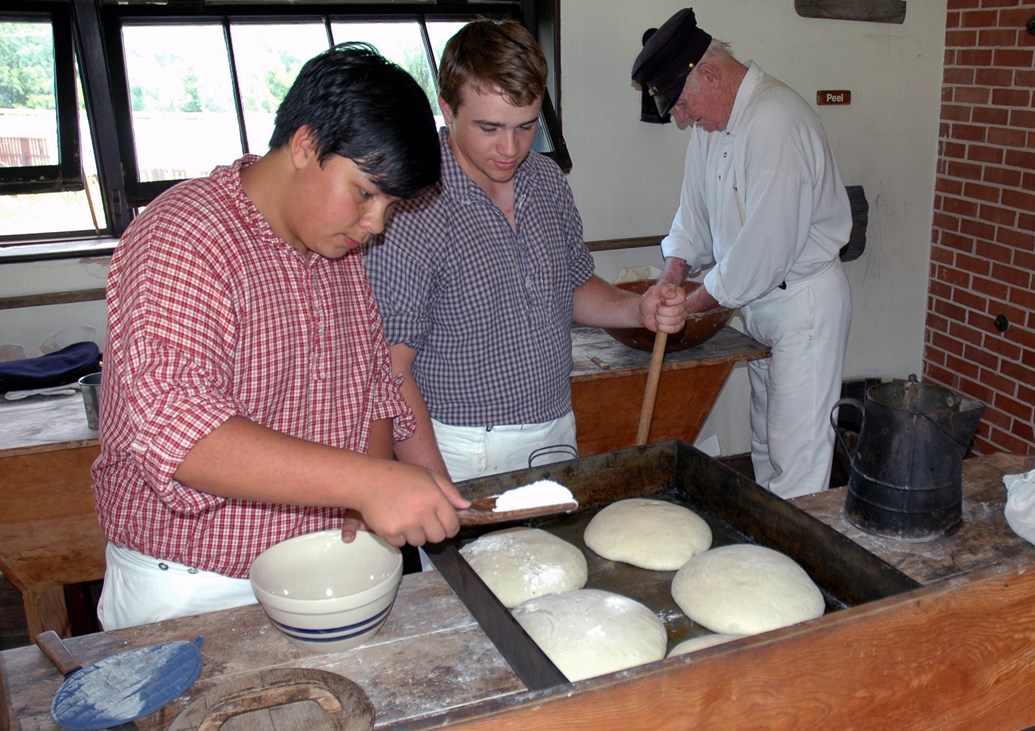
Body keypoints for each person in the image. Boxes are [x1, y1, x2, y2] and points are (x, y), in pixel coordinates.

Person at [91, 43, 469, 630]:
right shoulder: (184, 237)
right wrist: (370, 480)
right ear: (304, 144)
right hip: (195, 586)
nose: (374, 225)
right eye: (366, 193)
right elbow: (185, 435)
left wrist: (364, 499)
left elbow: (372, 386)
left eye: (390, 207)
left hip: (321, 568)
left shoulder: (337, 251)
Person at [365, 19, 685, 486]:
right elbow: (392, 370)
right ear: (447, 108)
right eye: (489, 127)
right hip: (462, 446)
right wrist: (433, 486)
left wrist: (639, 309)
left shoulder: (547, 181)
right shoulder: (412, 207)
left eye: (526, 126)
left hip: (555, 425)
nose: (510, 148)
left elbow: (571, 287)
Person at [632, 8, 854, 499]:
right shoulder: (713, 127)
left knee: (796, 454)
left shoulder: (775, 121)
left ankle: (798, 566)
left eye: (684, 106)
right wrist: (672, 278)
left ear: (708, 73)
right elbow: (691, 219)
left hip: (802, 304)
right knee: (766, 441)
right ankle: (769, 545)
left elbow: (763, 253)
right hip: (755, 304)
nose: (683, 120)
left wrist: (686, 308)